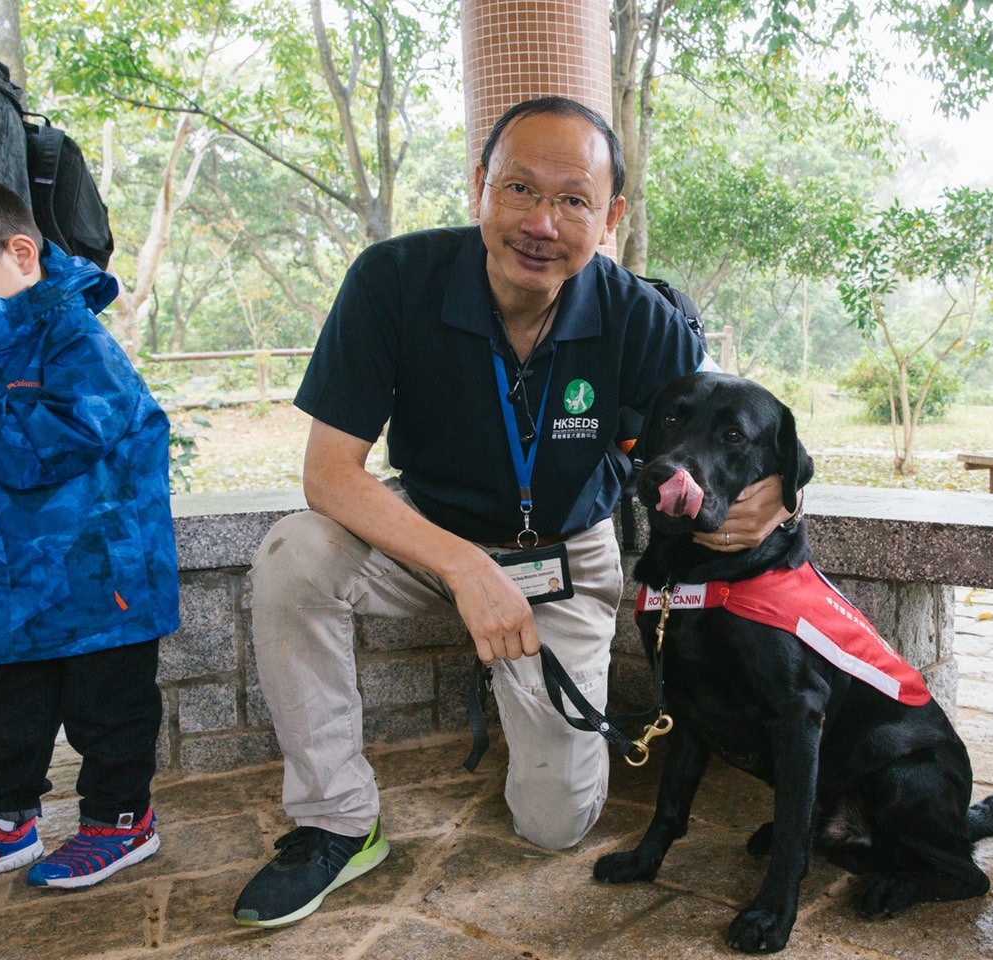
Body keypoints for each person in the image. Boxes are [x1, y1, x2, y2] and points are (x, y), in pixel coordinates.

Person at [233, 96, 797, 928]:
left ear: (610, 217)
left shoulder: (640, 316)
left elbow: (732, 429)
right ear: (478, 189)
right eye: (519, 189)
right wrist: (464, 568)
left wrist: (773, 503)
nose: (542, 221)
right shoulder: (392, 281)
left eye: (573, 199)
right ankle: (335, 820)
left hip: (567, 554)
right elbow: (330, 475)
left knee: (557, 826)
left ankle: (527, 711)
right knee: (295, 554)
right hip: (426, 542)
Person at [0, 176, 178, 888]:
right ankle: (3, 818)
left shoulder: (75, 338)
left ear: (21, 253)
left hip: (103, 581)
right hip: (16, 583)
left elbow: (44, 447)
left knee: (109, 711)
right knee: (7, 709)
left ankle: (121, 822)